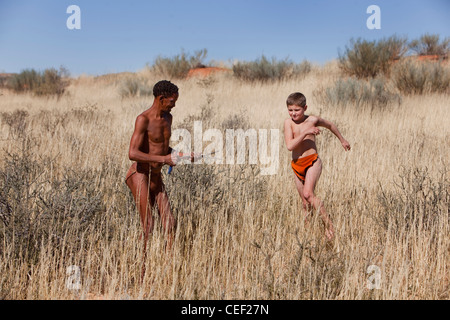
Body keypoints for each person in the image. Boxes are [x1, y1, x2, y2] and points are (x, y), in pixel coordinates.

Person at [125, 80, 186, 277]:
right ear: (160, 99)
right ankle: (142, 273)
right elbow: (132, 153)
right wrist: (164, 159)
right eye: (171, 101)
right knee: (148, 225)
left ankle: (168, 272)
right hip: (140, 174)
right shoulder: (142, 119)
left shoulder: (168, 118)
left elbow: (161, 147)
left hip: (156, 176)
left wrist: (177, 155)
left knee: (170, 223)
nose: (174, 105)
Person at [284, 92, 350, 241]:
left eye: (297, 110)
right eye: (290, 110)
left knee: (308, 194)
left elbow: (330, 125)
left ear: (305, 108)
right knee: (305, 203)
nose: (293, 113)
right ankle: (309, 237)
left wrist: (342, 140)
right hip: (296, 165)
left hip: (312, 161)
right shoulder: (288, 123)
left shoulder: (313, 120)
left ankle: (330, 228)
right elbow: (290, 145)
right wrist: (306, 132)